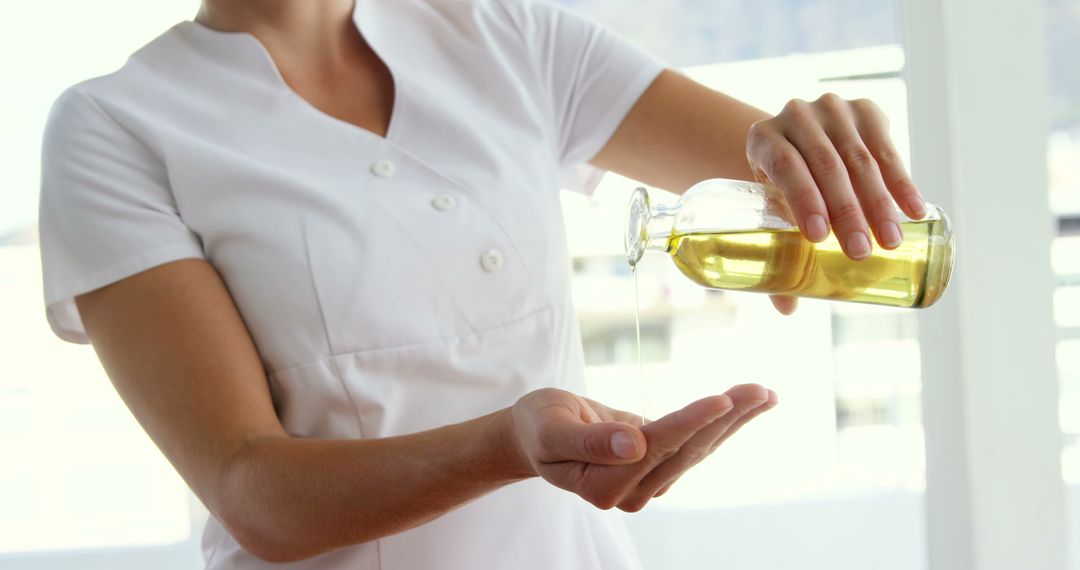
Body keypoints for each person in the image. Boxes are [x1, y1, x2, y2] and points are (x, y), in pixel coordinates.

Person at [38, 0, 927, 568]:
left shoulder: (506, 35)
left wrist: (807, 139)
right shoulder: (117, 126)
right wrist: (505, 445)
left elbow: (770, 170)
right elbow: (249, 490)